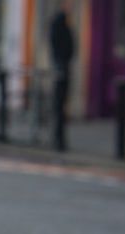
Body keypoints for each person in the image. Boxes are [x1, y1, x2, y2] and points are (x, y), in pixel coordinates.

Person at [49, 1, 75, 151]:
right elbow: (57, 44)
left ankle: (60, 140)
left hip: (64, 66)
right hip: (61, 68)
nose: (70, 6)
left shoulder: (65, 21)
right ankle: (58, 141)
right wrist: (60, 64)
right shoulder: (59, 21)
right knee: (59, 105)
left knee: (62, 105)